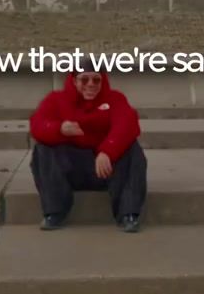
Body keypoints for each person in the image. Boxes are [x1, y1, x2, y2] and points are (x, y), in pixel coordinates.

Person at [28, 68, 147, 232]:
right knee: (42, 149)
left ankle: (128, 214)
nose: (90, 85)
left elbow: (127, 124)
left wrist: (107, 151)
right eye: (84, 80)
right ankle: (54, 212)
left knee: (132, 148)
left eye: (96, 80)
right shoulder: (55, 100)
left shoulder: (115, 99)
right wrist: (59, 129)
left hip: (107, 169)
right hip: (71, 169)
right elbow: (37, 125)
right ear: (74, 81)